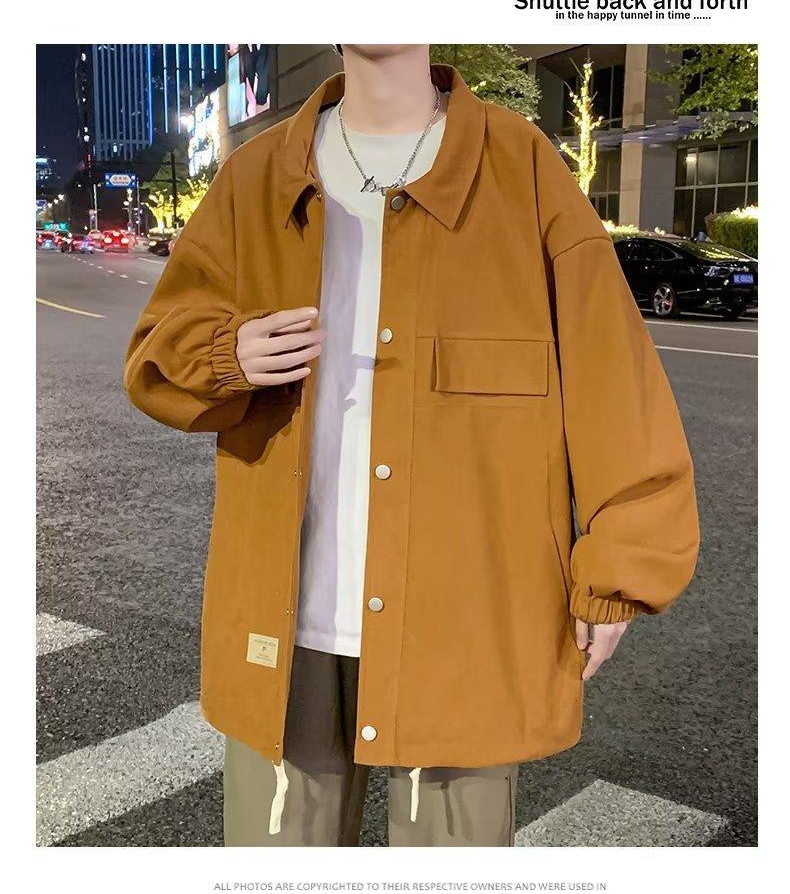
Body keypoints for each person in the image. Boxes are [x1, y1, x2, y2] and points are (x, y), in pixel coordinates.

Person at [123, 44, 700, 847]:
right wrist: (228, 354)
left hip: (466, 623)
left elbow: (612, 373)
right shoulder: (255, 178)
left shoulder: (522, 168)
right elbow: (156, 355)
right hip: (285, 627)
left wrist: (621, 565)